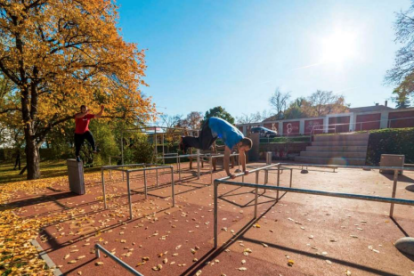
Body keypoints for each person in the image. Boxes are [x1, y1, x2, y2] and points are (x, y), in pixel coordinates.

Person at [179, 117, 252, 179]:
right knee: (203, 145)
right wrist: (228, 173)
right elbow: (226, 157)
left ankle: (185, 143)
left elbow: (242, 155)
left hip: (215, 128)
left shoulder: (242, 138)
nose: (243, 151)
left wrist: (244, 170)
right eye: (244, 149)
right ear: (241, 143)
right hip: (211, 124)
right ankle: (184, 139)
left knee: (204, 145)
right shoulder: (232, 138)